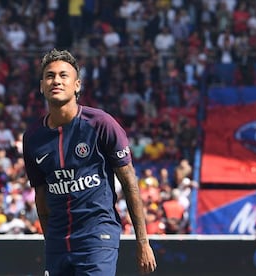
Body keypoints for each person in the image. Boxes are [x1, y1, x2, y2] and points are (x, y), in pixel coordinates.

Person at [23, 49, 156, 276]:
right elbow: (41, 197)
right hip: (57, 243)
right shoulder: (32, 137)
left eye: (64, 75)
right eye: (50, 76)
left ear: (77, 85)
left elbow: (129, 183)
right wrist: (50, 243)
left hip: (97, 236)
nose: (56, 80)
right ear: (41, 86)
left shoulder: (102, 124)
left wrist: (143, 241)